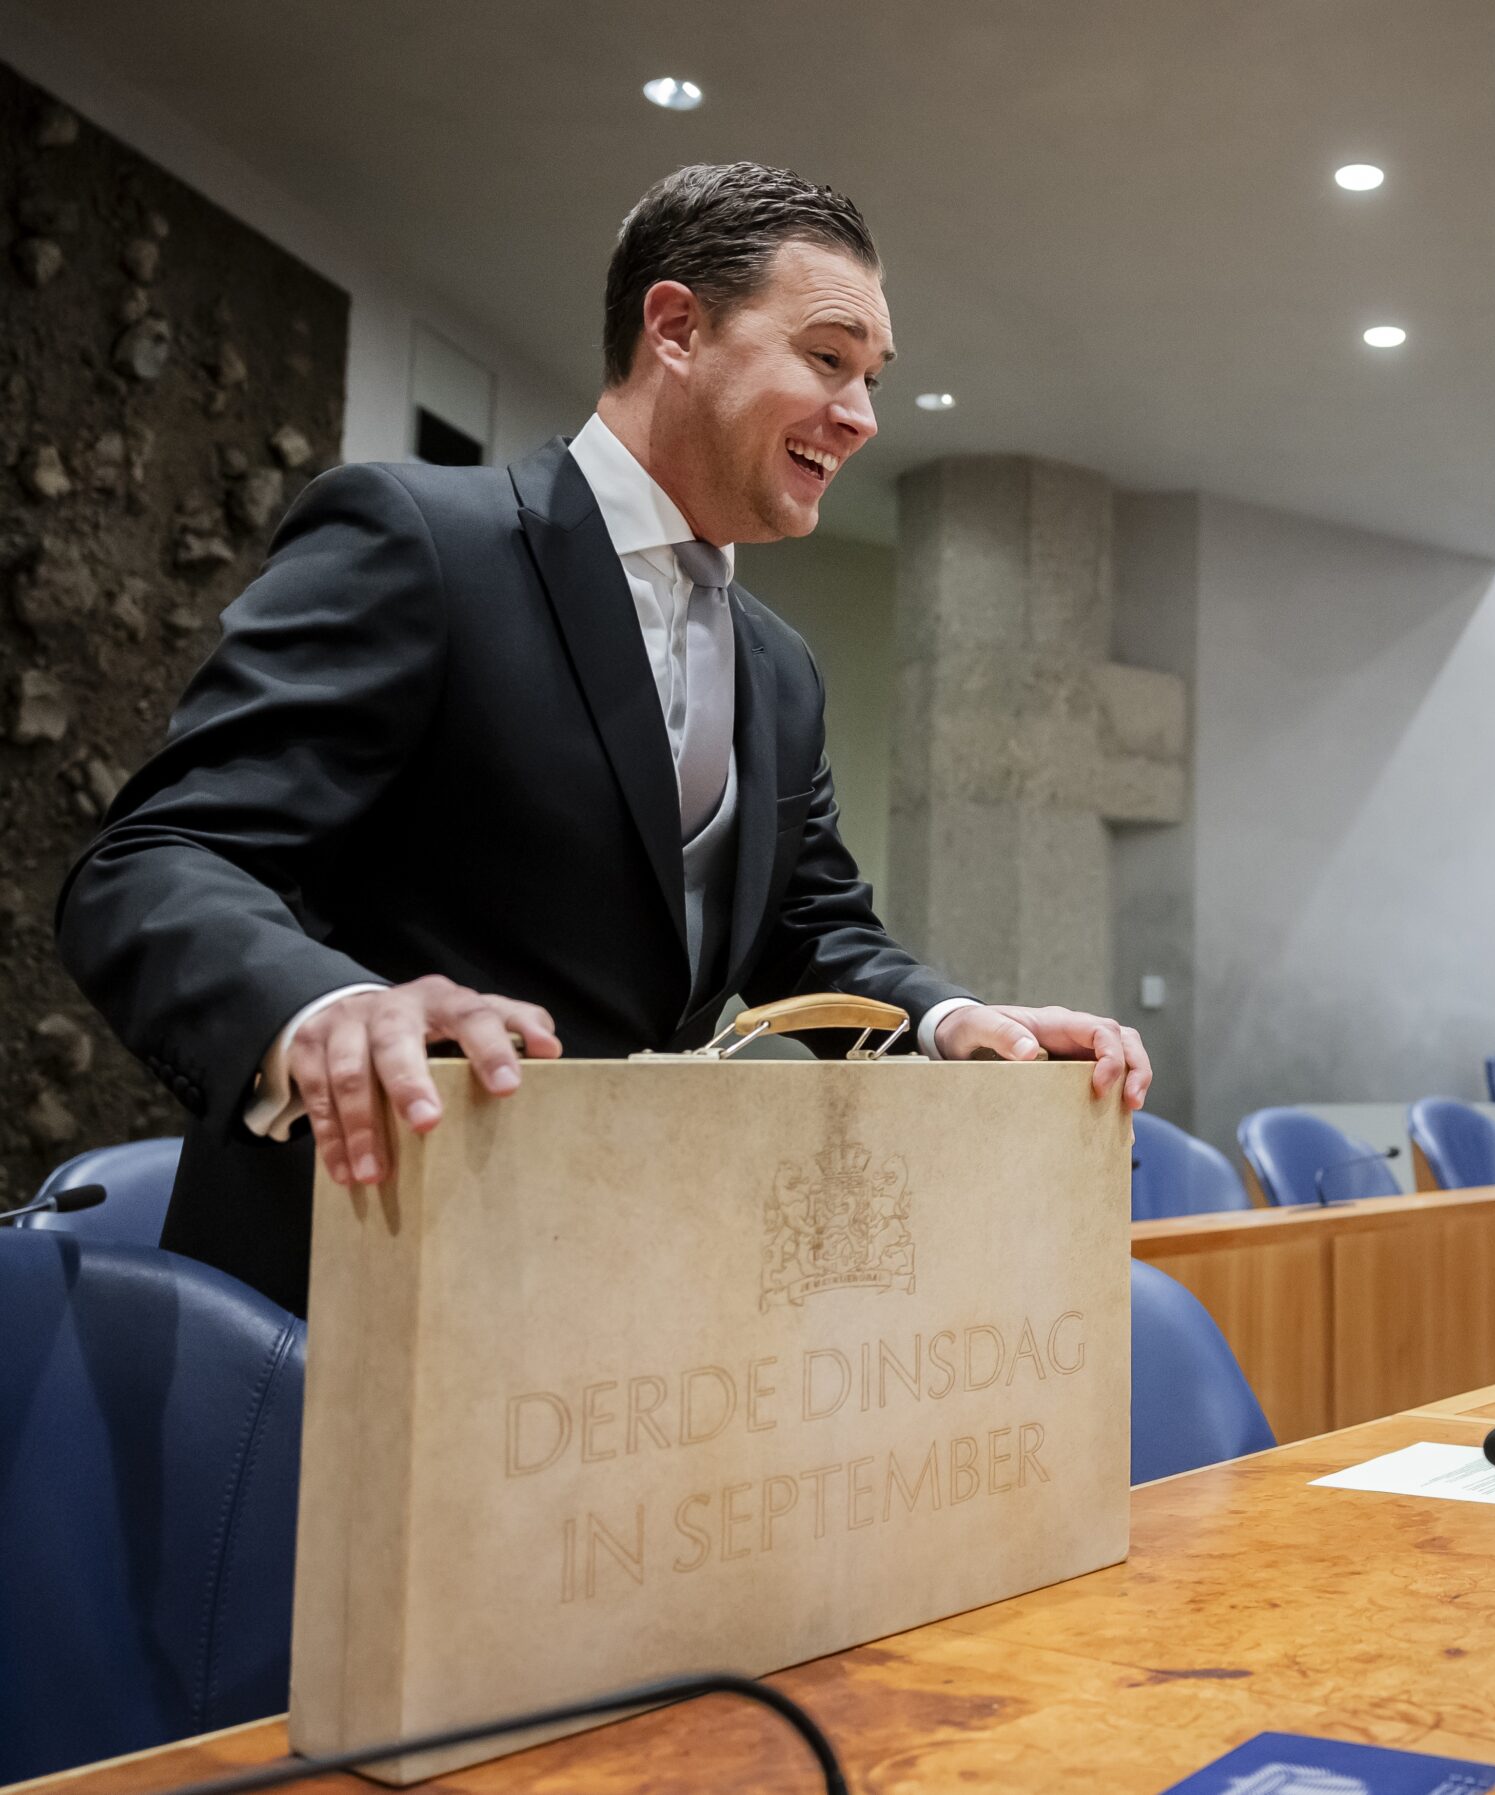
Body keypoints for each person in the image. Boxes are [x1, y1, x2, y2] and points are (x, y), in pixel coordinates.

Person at [55, 163, 1149, 1317]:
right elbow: (156, 861)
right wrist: (320, 1008)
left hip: (626, 1295)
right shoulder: (420, 539)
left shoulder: (780, 667)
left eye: (871, 379)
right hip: (351, 1288)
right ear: (675, 327)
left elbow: (808, 930)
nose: (863, 415)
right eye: (827, 359)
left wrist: (950, 1019)